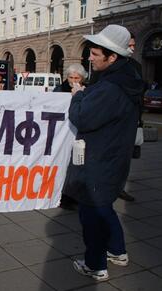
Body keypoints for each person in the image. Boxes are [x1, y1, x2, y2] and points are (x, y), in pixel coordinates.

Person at [63, 25, 144, 281]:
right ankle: (117, 251)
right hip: (112, 160)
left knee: (92, 217)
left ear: (112, 57)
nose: (90, 57)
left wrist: (77, 96)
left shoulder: (110, 87)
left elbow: (83, 118)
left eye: (95, 53)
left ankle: (95, 265)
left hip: (97, 164)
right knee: (104, 209)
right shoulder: (124, 79)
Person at [54, 63, 88, 210]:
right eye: (71, 77)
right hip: (62, 132)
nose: (74, 80)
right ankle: (64, 197)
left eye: (77, 77)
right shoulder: (59, 89)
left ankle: (74, 195)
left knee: (77, 165)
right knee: (63, 164)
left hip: (79, 132)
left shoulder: (87, 90)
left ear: (82, 78)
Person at [118, 32, 144, 202]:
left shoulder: (136, 66)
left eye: (134, 45)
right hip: (114, 119)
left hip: (131, 119)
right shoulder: (112, 64)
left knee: (126, 158)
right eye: (130, 45)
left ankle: (120, 187)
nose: (133, 48)